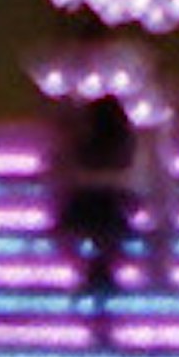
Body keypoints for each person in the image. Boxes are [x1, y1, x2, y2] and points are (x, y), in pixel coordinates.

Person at [46, 86, 141, 339]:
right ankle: (99, 307)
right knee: (104, 253)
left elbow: (66, 168)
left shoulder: (83, 134)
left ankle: (96, 303)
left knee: (99, 254)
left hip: (91, 207)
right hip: (104, 208)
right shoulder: (117, 138)